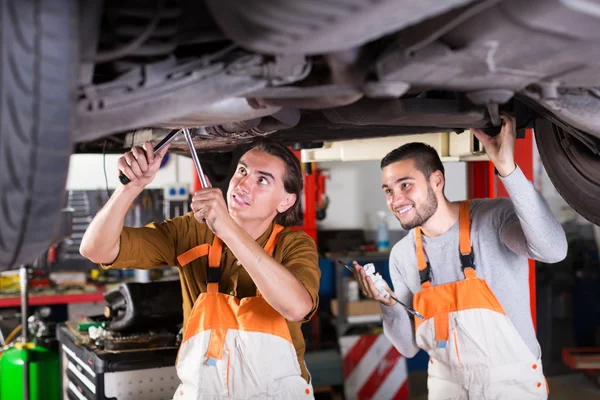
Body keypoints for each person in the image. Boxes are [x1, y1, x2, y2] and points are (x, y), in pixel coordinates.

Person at [80, 139, 320, 399]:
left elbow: (296, 307)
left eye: (262, 180)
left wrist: (228, 229)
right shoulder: (192, 231)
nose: (242, 185)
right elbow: (95, 249)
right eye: (242, 171)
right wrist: (130, 187)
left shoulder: (294, 245)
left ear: (285, 201)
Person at [353, 114, 567, 399]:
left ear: (437, 180)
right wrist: (387, 304)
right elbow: (407, 347)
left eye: (405, 185)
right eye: (388, 190)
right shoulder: (403, 255)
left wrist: (508, 170)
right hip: (447, 388)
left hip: (510, 387)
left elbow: (553, 250)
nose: (395, 200)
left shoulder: (493, 219)